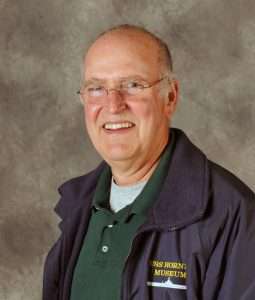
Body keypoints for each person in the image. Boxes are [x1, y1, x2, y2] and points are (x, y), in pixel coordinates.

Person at [42, 24, 255, 300]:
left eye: (132, 85)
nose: (113, 104)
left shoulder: (232, 216)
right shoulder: (78, 209)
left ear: (170, 97)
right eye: (96, 88)